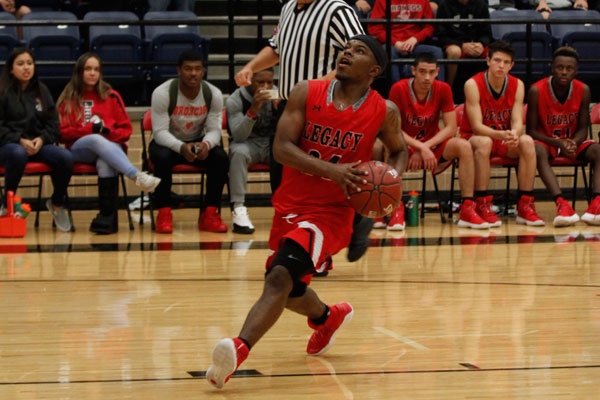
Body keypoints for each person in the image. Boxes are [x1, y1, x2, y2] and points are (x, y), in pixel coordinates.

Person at [206, 35, 408, 390]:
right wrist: (334, 171)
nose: (347, 52)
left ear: (373, 70)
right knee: (289, 287)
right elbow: (281, 149)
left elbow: (399, 150)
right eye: (346, 47)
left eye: (358, 51)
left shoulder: (384, 110)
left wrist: (383, 188)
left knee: (279, 277)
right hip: (292, 202)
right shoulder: (306, 91)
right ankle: (327, 318)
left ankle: (237, 351)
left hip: (332, 211)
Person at [236, 0, 372, 262]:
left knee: (318, 184)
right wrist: (251, 67)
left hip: (325, 107)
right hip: (289, 106)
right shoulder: (288, 8)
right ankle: (299, 248)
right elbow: (276, 49)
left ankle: (349, 227)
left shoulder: (337, 10)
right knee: (282, 178)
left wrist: (314, 87)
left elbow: (361, 55)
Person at [57, 52, 161, 234]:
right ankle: (136, 175)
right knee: (96, 139)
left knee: (105, 161)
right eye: (88, 69)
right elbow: (62, 134)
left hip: (110, 150)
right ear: (79, 72)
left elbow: (126, 131)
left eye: (96, 69)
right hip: (79, 151)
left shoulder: (111, 96)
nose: (92, 73)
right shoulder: (68, 98)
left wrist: (107, 133)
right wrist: (91, 131)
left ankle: (106, 220)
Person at [387, 52, 489, 230]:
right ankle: (393, 208)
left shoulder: (443, 89)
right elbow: (394, 129)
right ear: (413, 71)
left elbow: (451, 127)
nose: (427, 77)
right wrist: (419, 148)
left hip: (431, 145)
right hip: (406, 145)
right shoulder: (398, 88)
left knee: (463, 146)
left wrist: (425, 148)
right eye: (422, 72)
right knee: (386, 148)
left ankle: (467, 208)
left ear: (437, 72)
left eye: (431, 72)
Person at [460, 40, 544, 227]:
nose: (501, 66)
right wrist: (502, 135)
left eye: (506, 62)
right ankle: (482, 204)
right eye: (497, 60)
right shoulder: (472, 84)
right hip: (474, 139)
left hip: (502, 137)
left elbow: (516, 120)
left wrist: (514, 134)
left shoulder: (518, 84)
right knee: (484, 142)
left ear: (512, 65)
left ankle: (525, 205)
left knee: (527, 141)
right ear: (488, 60)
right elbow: (476, 126)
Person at [149, 50, 229, 234]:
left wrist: (206, 144)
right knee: (161, 157)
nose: (193, 73)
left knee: (220, 158)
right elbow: (159, 132)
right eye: (188, 69)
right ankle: (164, 213)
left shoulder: (213, 94)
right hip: (169, 142)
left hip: (196, 140)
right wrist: (180, 147)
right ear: (179, 70)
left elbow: (215, 130)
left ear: (203, 71)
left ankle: (210, 214)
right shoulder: (162, 93)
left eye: (197, 69)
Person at [0, 47, 73, 231]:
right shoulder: (3, 91)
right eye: (20, 64)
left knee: (65, 158)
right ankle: (7, 204)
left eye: (29, 63)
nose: (26, 68)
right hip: (9, 146)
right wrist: (19, 140)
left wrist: (41, 139)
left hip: (38, 145)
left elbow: (53, 124)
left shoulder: (42, 90)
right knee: (18, 154)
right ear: (11, 69)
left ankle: (56, 203)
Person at [527, 46, 600, 226]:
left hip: (571, 142)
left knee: (599, 150)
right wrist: (557, 142)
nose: (564, 72)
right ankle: (561, 204)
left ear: (576, 70)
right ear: (552, 67)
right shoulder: (536, 90)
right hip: (547, 142)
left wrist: (573, 142)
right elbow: (531, 131)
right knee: (535, 150)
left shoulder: (583, 90)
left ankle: (596, 204)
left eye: (569, 68)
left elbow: (583, 128)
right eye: (560, 67)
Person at [225, 68, 279, 234]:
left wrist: (282, 110)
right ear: (249, 81)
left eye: (270, 82)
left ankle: (287, 210)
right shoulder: (236, 98)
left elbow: (291, 130)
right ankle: (239, 208)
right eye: (260, 82)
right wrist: (253, 109)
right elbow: (238, 136)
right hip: (248, 144)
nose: (266, 87)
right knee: (238, 151)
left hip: (272, 144)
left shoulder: (280, 94)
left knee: (292, 153)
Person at [368, 0, 445, 83]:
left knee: (436, 52)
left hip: (415, 44)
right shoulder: (382, 1)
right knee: (388, 51)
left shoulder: (423, 1)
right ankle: (396, 92)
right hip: (392, 45)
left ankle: (439, 91)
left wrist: (416, 38)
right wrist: (395, 42)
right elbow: (374, 28)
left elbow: (430, 26)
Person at [435, 0, 492, 89]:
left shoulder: (481, 4)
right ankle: (448, 90)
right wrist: (461, 45)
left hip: (476, 43)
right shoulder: (444, 4)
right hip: (453, 43)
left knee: (496, 53)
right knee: (454, 51)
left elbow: (487, 33)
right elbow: (441, 35)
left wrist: (481, 44)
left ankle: (490, 91)